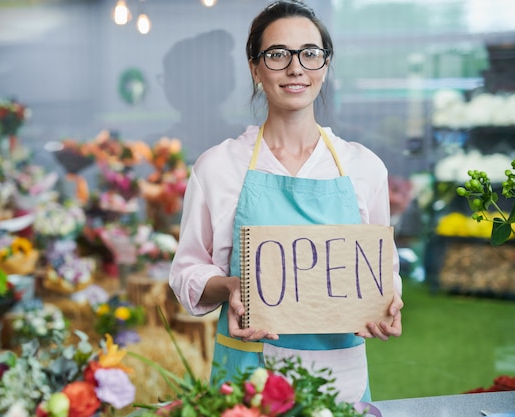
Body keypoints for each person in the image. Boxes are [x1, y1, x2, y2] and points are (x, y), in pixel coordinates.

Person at [168, 0, 403, 403]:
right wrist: (228, 286)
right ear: (254, 67)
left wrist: (389, 302)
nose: (296, 68)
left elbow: (383, 271)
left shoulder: (364, 168)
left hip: (339, 378)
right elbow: (185, 272)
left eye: (310, 54)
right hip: (248, 378)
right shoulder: (218, 167)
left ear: (325, 66)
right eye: (277, 55)